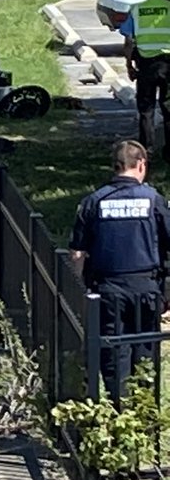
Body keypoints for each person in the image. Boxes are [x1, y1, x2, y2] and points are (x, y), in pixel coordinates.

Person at [70, 139, 170, 401]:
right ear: (141, 165)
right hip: (147, 289)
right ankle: (144, 414)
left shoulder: (94, 201)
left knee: (114, 355)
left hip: (107, 290)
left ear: (115, 167)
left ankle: (119, 410)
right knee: (145, 353)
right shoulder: (154, 200)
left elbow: (78, 253)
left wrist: (81, 292)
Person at [121, 0, 170, 159]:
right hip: (168, 64)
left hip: (146, 64)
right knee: (168, 108)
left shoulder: (135, 7)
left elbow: (128, 41)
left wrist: (129, 65)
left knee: (146, 110)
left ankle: (146, 152)